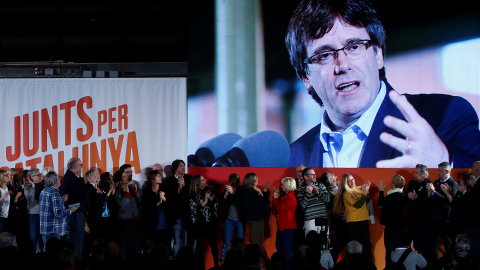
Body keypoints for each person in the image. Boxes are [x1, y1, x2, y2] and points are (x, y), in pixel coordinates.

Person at [285, 0, 480, 169]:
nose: (343, 65)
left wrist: (444, 162)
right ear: (305, 77)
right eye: (324, 55)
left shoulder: (444, 116)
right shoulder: (291, 159)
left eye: (354, 47)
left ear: (378, 55)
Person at [333, 173, 372, 261]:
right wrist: (365, 194)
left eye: (353, 179)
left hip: (364, 220)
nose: (352, 182)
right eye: (349, 181)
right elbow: (358, 205)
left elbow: (367, 200)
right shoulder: (346, 194)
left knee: (365, 245)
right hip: (354, 222)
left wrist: (366, 191)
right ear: (345, 183)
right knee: (355, 247)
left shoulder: (356, 189)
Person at [60, 157, 94, 261]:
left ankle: (76, 261)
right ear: (76, 167)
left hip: (77, 213)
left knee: (79, 240)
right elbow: (81, 194)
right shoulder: (70, 178)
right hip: (75, 214)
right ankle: (73, 262)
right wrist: (92, 183)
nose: (82, 167)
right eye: (81, 165)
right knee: (76, 240)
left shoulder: (73, 177)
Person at [426, 161, 457, 267]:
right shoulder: (436, 182)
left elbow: (448, 202)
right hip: (434, 219)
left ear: (447, 171)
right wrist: (430, 194)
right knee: (432, 244)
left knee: (448, 245)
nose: (437, 173)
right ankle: (435, 266)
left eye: (440, 171)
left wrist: (434, 193)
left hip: (445, 220)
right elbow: (433, 199)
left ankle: (451, 264)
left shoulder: (453, 184)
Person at [187, 174, 219, 268]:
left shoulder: (210, 190)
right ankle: (199, 266)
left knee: (214, 245)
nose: (205, 180)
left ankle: (216, 265)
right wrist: (204, 202)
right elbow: (194, 210)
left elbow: (216, 204)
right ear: (198, 183)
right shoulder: (193, 195)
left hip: (211, 223)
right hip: (199, 225)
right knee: (199, 246)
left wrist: (211, 198)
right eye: (203, 180)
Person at [39, 171, 78, 247]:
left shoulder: (44, 191)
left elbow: (49, 207)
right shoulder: (55, 193)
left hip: (46, 228)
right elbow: (58, 214)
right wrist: (71, 210)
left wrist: (61, 200)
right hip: (54, 230)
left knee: (47, 250)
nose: (60, 180)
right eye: (59, 178)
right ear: (56, 181)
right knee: (53, 253)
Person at [163, 159, 192, 256]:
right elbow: (169, 200)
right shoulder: (168, 181)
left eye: (184, 165)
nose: (183, 167)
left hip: (189, 215)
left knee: (192, 240)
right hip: (176, 217)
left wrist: (184, 187)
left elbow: (192, 195)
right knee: (177, 240)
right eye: (181, 166)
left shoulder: (190, 179)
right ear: (175, 168)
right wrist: (179, 189)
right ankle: (177, 263)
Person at [405, 164, 432, 263]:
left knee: (424, 245)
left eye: (416, 173)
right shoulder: (411, 183)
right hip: (413, 220)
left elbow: (429, 203)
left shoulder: (429, 185)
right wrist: (410, 198)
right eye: (414, 172)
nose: (414, 175)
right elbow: (406, 199)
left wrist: (417, 198)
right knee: (414, 244)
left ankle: (424, 265)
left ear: (423, 175)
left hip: (425, 222)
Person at [113, 166, 142, 261]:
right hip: (124, 222)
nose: (127, 178)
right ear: (120, 180)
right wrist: (126, 193)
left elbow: (139, 201)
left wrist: (136, 192)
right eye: (125, 177)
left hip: (135, 219)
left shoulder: (130, 186)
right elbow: (121, 204)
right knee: (125, 246)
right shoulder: (117, 191)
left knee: (136, 245)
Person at [378, 175, 406, 265]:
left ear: (393, 184)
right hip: (397, 225)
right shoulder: (400, 195)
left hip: (392, 226)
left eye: (391, 180)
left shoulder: (393, 196)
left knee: (391, 247)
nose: (390, 181)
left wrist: (381, 191)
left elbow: (381, 203)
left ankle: (391, 266)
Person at [296, 167, 330, 238]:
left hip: (323, 218)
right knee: (311, 244)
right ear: (306, 177)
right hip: (310, 220)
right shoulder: (300, 189)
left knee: (325, 242)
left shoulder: (320, 185)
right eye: (312, 175)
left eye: (315, 174)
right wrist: (308, 194)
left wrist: (318, 193)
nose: (315, 176)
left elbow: (327, 199)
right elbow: (302, 206)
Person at [141, 169, 170, 250]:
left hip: (165, 221)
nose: (160, 177)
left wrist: (164, 199)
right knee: (155, 245)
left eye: (160, 175)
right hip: (153, 223)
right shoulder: (147, 191)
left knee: (165, 245)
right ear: (153, 179)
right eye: (158, 176)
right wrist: (159, 202)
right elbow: (148, 207)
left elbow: (171, 204)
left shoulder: (164, 189)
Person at [220, 172, 245, 264]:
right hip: (229, 220)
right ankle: (223, 262)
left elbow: (241, 204)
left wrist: (233, 193)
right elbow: (221, 204)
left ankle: (241, 262)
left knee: (240, 243)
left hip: (239, 220)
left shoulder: (241, 190)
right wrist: (225, 196)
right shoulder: (227, 189)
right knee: (227, 241)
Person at [272, 177, 297, 267]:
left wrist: (275, 198)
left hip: (288, 227)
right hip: (282, 227)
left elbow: (281, 209)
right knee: (280, 247)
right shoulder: (287, 197)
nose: (281, 187)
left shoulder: (290, 197)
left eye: (283, 185)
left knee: (288, 249)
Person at [241, 173, 270, 247]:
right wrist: (266, 192)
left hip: (258, 219)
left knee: (259, 243)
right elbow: (264, 203)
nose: (258, 179)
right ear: (251, 181)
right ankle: (254, 258)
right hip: (255, 219)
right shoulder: (251, 192)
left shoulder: (253, 191)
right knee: (255, 243)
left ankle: (258, 258)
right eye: (256, 178)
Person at [24, 168, 45, 254]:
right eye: (38, 175)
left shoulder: (44, 186)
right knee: (33, 237)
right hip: (32, 215)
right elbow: (30, 200)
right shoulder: (27, 188)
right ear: (32, 177)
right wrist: (33, 187)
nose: (40, 176)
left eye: (40, 174)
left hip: (43, 215)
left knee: (42, 238)